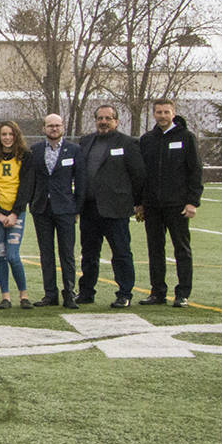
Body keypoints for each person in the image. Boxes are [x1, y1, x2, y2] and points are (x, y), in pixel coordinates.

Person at [77, 105, 146, 308]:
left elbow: (138, 175)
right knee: (89, 254)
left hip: (116, 209)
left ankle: (124, 293)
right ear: (95, 120)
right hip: (90, 209)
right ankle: (86, 292)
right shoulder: (86, 141)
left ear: (116, 121)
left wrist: (138, 203)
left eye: (108, 118)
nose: (104, 121)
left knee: (121, 253)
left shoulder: (128, 143)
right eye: (100, 118)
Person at [137, 99, 203, 308]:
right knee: (155, 250)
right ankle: (157, 292)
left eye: (166, 112)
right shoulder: (147, 140)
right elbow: (141, 175)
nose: (162, 116)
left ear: (173, 113)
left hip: (177, 205)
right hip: (153, 206)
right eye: (159, 112)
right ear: (153, 114)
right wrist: (140, 202)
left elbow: (195, 171)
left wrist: (192, 202)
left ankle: (182, 293)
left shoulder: (186, 138)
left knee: (181, 249)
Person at [28, 113, 84, 309]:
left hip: (65, 209)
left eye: (57, 125)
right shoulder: (34, 150)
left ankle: (69, 293)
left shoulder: (74, 150)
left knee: (67, 253)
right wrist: (32, 203)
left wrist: (77, 207)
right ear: (44, 128)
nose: (54, 129)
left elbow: (81, 180)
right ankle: (50, 294)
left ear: (63, 128)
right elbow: (30, 180)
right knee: (46, 253)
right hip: (42, 208)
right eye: (50, 126)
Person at [0, 122, 34, 310]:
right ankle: (5, 297)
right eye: (3, 134)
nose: (7, 138)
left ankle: (24, 295)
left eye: (10, 134)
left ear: (16, 136)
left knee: (13, 255)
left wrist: (14, 213)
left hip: (16, 214)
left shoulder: (26, 157)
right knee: (1, 254)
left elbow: (26, 187)